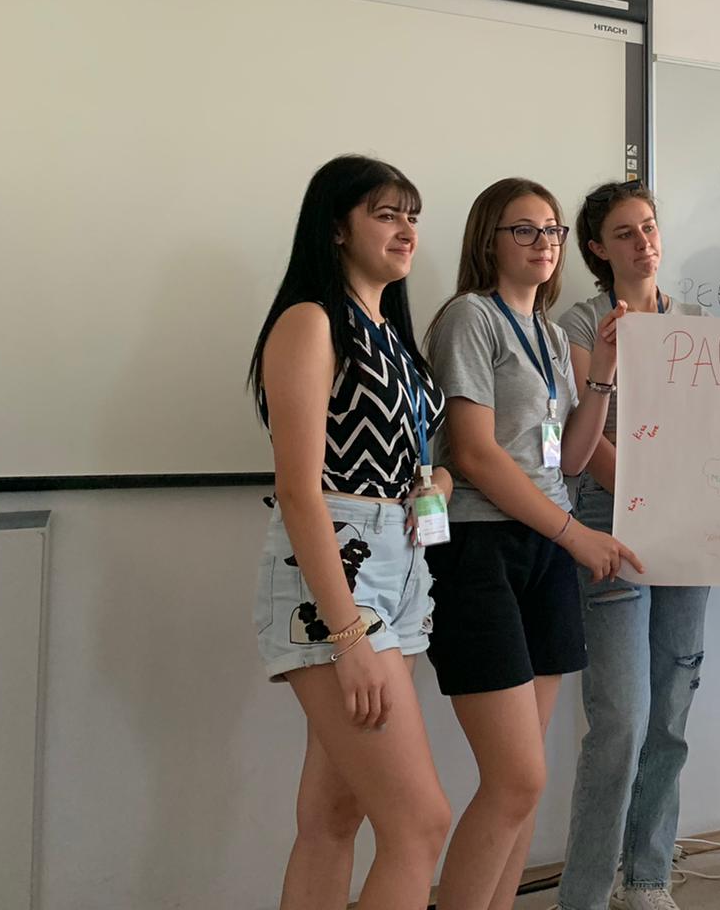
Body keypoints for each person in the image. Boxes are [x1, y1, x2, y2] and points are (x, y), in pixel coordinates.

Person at [422, 177, 641, 910]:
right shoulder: (469, 317)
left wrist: (602, 374)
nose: (544, 242)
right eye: (525, 229)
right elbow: (475, 454)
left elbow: (569, 457)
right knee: (516, 779)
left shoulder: (549, 334)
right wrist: (576, 534)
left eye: (551, 229)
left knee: (526, 781)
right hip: (481, 549)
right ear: (489, 239)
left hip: (544, 548)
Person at [249, 154, 453, 910]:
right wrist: (349, 638)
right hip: (340, 571)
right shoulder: (311, 320)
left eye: (412, 216)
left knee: (334, 817)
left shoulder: (389, 329)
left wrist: (435, 484)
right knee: (420, 825)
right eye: (386, 214)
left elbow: (408, 453)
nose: (406, 230)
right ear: (337, 228)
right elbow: (298, 491)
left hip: (401, 562)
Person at [555, 178, 711, 910]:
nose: (643, 241)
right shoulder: (580, 324)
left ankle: (648, 877)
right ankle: (585, 893)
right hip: (610, 525)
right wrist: (651, 496)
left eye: (648, 226)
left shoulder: (695, 323)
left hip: (687, 528)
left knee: (671, 711)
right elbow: (583, 443)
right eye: (625, 232)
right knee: (620, 719)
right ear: (597, 248)